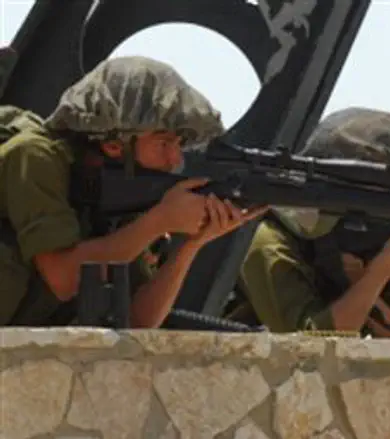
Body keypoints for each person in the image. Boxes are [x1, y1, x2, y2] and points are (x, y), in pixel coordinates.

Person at [0, 55, 265, 328]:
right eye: (163, 143)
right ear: (115, 144)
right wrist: (158, 221)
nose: (175, 159)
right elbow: (65, 279)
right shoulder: (33, 155)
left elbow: (138, 321)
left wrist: (190, 244)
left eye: (178, 143)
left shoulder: (115, 192)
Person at [231, 107, 390, 336]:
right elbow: (309, 346)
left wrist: (378, 279)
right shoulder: (267, 240)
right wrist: (379, 273)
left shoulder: (382, 240)